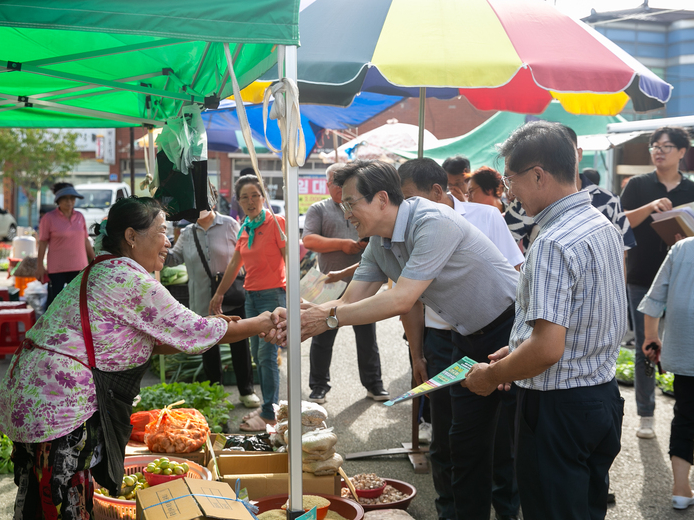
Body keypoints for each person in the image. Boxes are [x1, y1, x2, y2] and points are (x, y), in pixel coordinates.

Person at [0, 196, 281, 520]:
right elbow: (194, 332)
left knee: (37, 500)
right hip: (60, 405)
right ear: (131, 236)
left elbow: (158, 341)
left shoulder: (101, 268)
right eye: (161, 230)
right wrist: (264, 322)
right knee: (63, 505)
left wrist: (214, 328)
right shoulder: (130, 278)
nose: (168, 240)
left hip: (30, 394)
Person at [271, 160, 519, 520]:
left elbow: (401, 299)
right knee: (463, 445)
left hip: (510, 330)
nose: (346, 213)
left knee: (511, 443)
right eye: (342, 205)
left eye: (351, 203)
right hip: (467, 338)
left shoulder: (432, 222)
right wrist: (303, 314)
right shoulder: (379, 244)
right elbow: (349, 300)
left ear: (382, 199)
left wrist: (324, 318)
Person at [464, 121, 627, 520]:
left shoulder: (552, 241)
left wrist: (491, 374)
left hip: (558, 408)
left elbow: (548, 349)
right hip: (601, 399)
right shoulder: (599, 223)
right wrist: (519, 349)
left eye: (510, 179)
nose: (509, 192)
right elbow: (586, 317)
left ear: (538, 174)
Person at [398, 157, 524, 520]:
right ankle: (451, 511)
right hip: (443, 341)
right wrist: (417, 354)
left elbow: (515, 275)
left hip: (495, 333)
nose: (406, 209)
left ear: (438, 191)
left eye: (410, 199)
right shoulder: (406, 234)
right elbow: (409, 301)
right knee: (447, 436)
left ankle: (506, 509)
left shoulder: (484, 216)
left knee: (500, 438)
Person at [621, 126, 694, 439]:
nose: (658, 150)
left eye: (666, 145)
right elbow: (620, 223)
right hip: (642, 276)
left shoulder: (691, 189)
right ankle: (647, 413)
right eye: (654, 145)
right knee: (645, 347)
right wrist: (650, 208)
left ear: (681, 151)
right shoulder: (638, 184)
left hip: (683, 281)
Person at [302, 163, 387, 404]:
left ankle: (374, 384)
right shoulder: (319, 209)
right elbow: (308, 240)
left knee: (367, 337)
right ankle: (319, 386)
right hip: (329, 283)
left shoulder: (363, 205)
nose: (338, 188)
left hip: (364, 281)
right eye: (334, 183)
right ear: (327, 185)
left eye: (342, 183)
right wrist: (342, 244)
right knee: (322, 335)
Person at [210, 174, 286, 432]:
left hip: (273, 297)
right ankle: (269, 404)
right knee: (257, 355)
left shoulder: (276, 222)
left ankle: (270, 415)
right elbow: (235, 264)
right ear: (238, 201)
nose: (251, 201)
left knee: (266, 356)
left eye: (255, 195)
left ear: (263, 197)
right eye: (245, 197)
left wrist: (296, 295)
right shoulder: (245, 227)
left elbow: (290, 257)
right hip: (251, 297)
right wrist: (219, 294)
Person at [166, 203, 261, 409]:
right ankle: (214, 393)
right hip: (201, 299)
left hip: (230, 296)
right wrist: (160, 244)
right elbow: (174, 258)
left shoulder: (228, 224)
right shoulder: (187, 232)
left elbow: (245, 251)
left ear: (212, 202)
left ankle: (246, 391)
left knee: (239, 344)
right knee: (207, 347)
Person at [504, 125, 636, 254]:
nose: (510, 192)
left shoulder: (609, 201)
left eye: (511, 180)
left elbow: (621, 252)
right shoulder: (525, 201)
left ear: (578, 153)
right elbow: (506, 248)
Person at [638, 237, 694, 510]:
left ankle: (681, 490)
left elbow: (655, 297)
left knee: (685, 415)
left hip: (687, 348)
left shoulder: (682, 248)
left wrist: (651, 337)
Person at [36, 183, 95, 307]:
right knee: (55, 304)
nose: (69, 202)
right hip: (57, 268)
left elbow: (85, 240)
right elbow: (42, 243)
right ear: (58, 200)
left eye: (72, 198)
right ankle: (50, 326)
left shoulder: (80, 216)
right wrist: (40, 265)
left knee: (79, 303)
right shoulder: (48, 218)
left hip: (79, 267)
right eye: (65, 198)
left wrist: (95, 260)